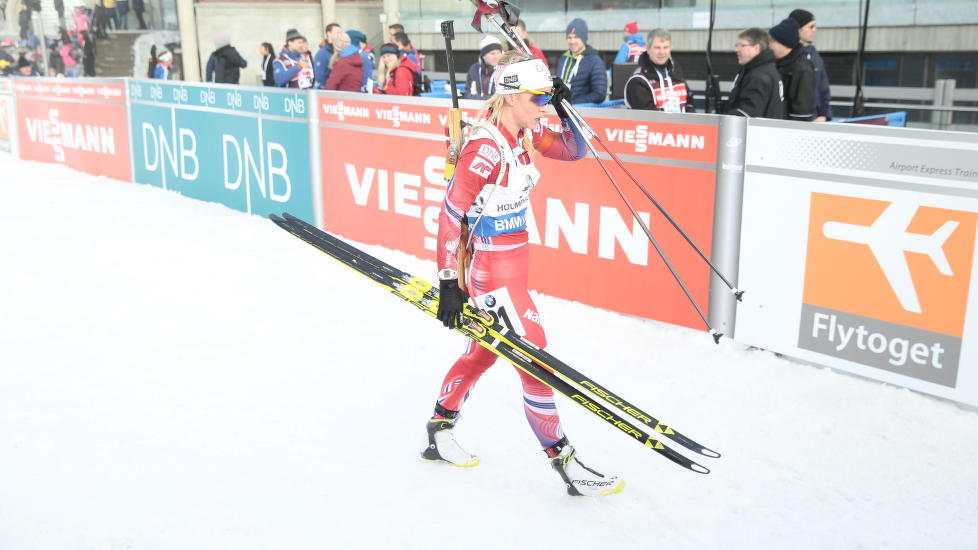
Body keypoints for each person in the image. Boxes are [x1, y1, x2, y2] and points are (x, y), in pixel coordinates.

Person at [428, 50, 623, 497]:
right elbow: (449, 214)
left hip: (515, 268)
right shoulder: (485, 148)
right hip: (493, 275)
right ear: (511, 96)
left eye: (544, 96)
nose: (541, 104)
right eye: (536, 97)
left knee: (485, 353)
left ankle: (438, 430)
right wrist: (446, 283)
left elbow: (576, 150)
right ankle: (567, 464)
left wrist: (563, 106)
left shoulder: (527, 132)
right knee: (536, 361)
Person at [624, 28, 692, 112]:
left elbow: (689, 105)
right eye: (657, 48)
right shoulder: (638, 81)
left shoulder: (676, 73)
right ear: (648, 49)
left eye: (665, 47)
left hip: (685, 124)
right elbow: (648, 117)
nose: (662, 52)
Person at [722, 28, 783, 119]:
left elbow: (749, 112)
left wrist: (724, 118)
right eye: (737, 45)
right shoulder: (768, 69)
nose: (737, 49)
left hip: (756, 131)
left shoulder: (758, 76)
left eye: (742, 45)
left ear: (756, 48)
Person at [768, 18, 815, 122]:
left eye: (772, 41)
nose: (769, 45)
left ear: (784, 43)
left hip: (787, 131)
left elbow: (802, 113)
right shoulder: (774, 64)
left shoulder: (802, 69)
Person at [790, 9, 831, 121]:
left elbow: (824, 88)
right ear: (798, 28)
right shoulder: (786, 56)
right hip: (795, 122)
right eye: (811, 27)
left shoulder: (814, 54)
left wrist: (824, 115)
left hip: (816, 121)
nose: (815, 30)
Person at [556, 18, 607, 104]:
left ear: (584, 38)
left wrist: (571, 103)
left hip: (582, 112)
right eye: (569, 37)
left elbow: (599, 94)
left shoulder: (595, 61)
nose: (572, 41)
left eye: (576, 37)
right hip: (560, 108)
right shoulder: (564, 58)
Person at [463, 35, 502, 100]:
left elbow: (497, 98)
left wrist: (476, 97)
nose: (496, 56)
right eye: (492, 54)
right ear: (483, 56)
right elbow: (467, 95)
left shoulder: (504, 70)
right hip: (476, 108)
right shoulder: (474, 69)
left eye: (498, 53)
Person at [313, 22, 343, 89]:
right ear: (328, 33)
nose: (340, 35)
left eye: (341, 33)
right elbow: (319, 77)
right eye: (337, 32)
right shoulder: (322, 53)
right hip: (328, 92)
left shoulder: (340, 51)